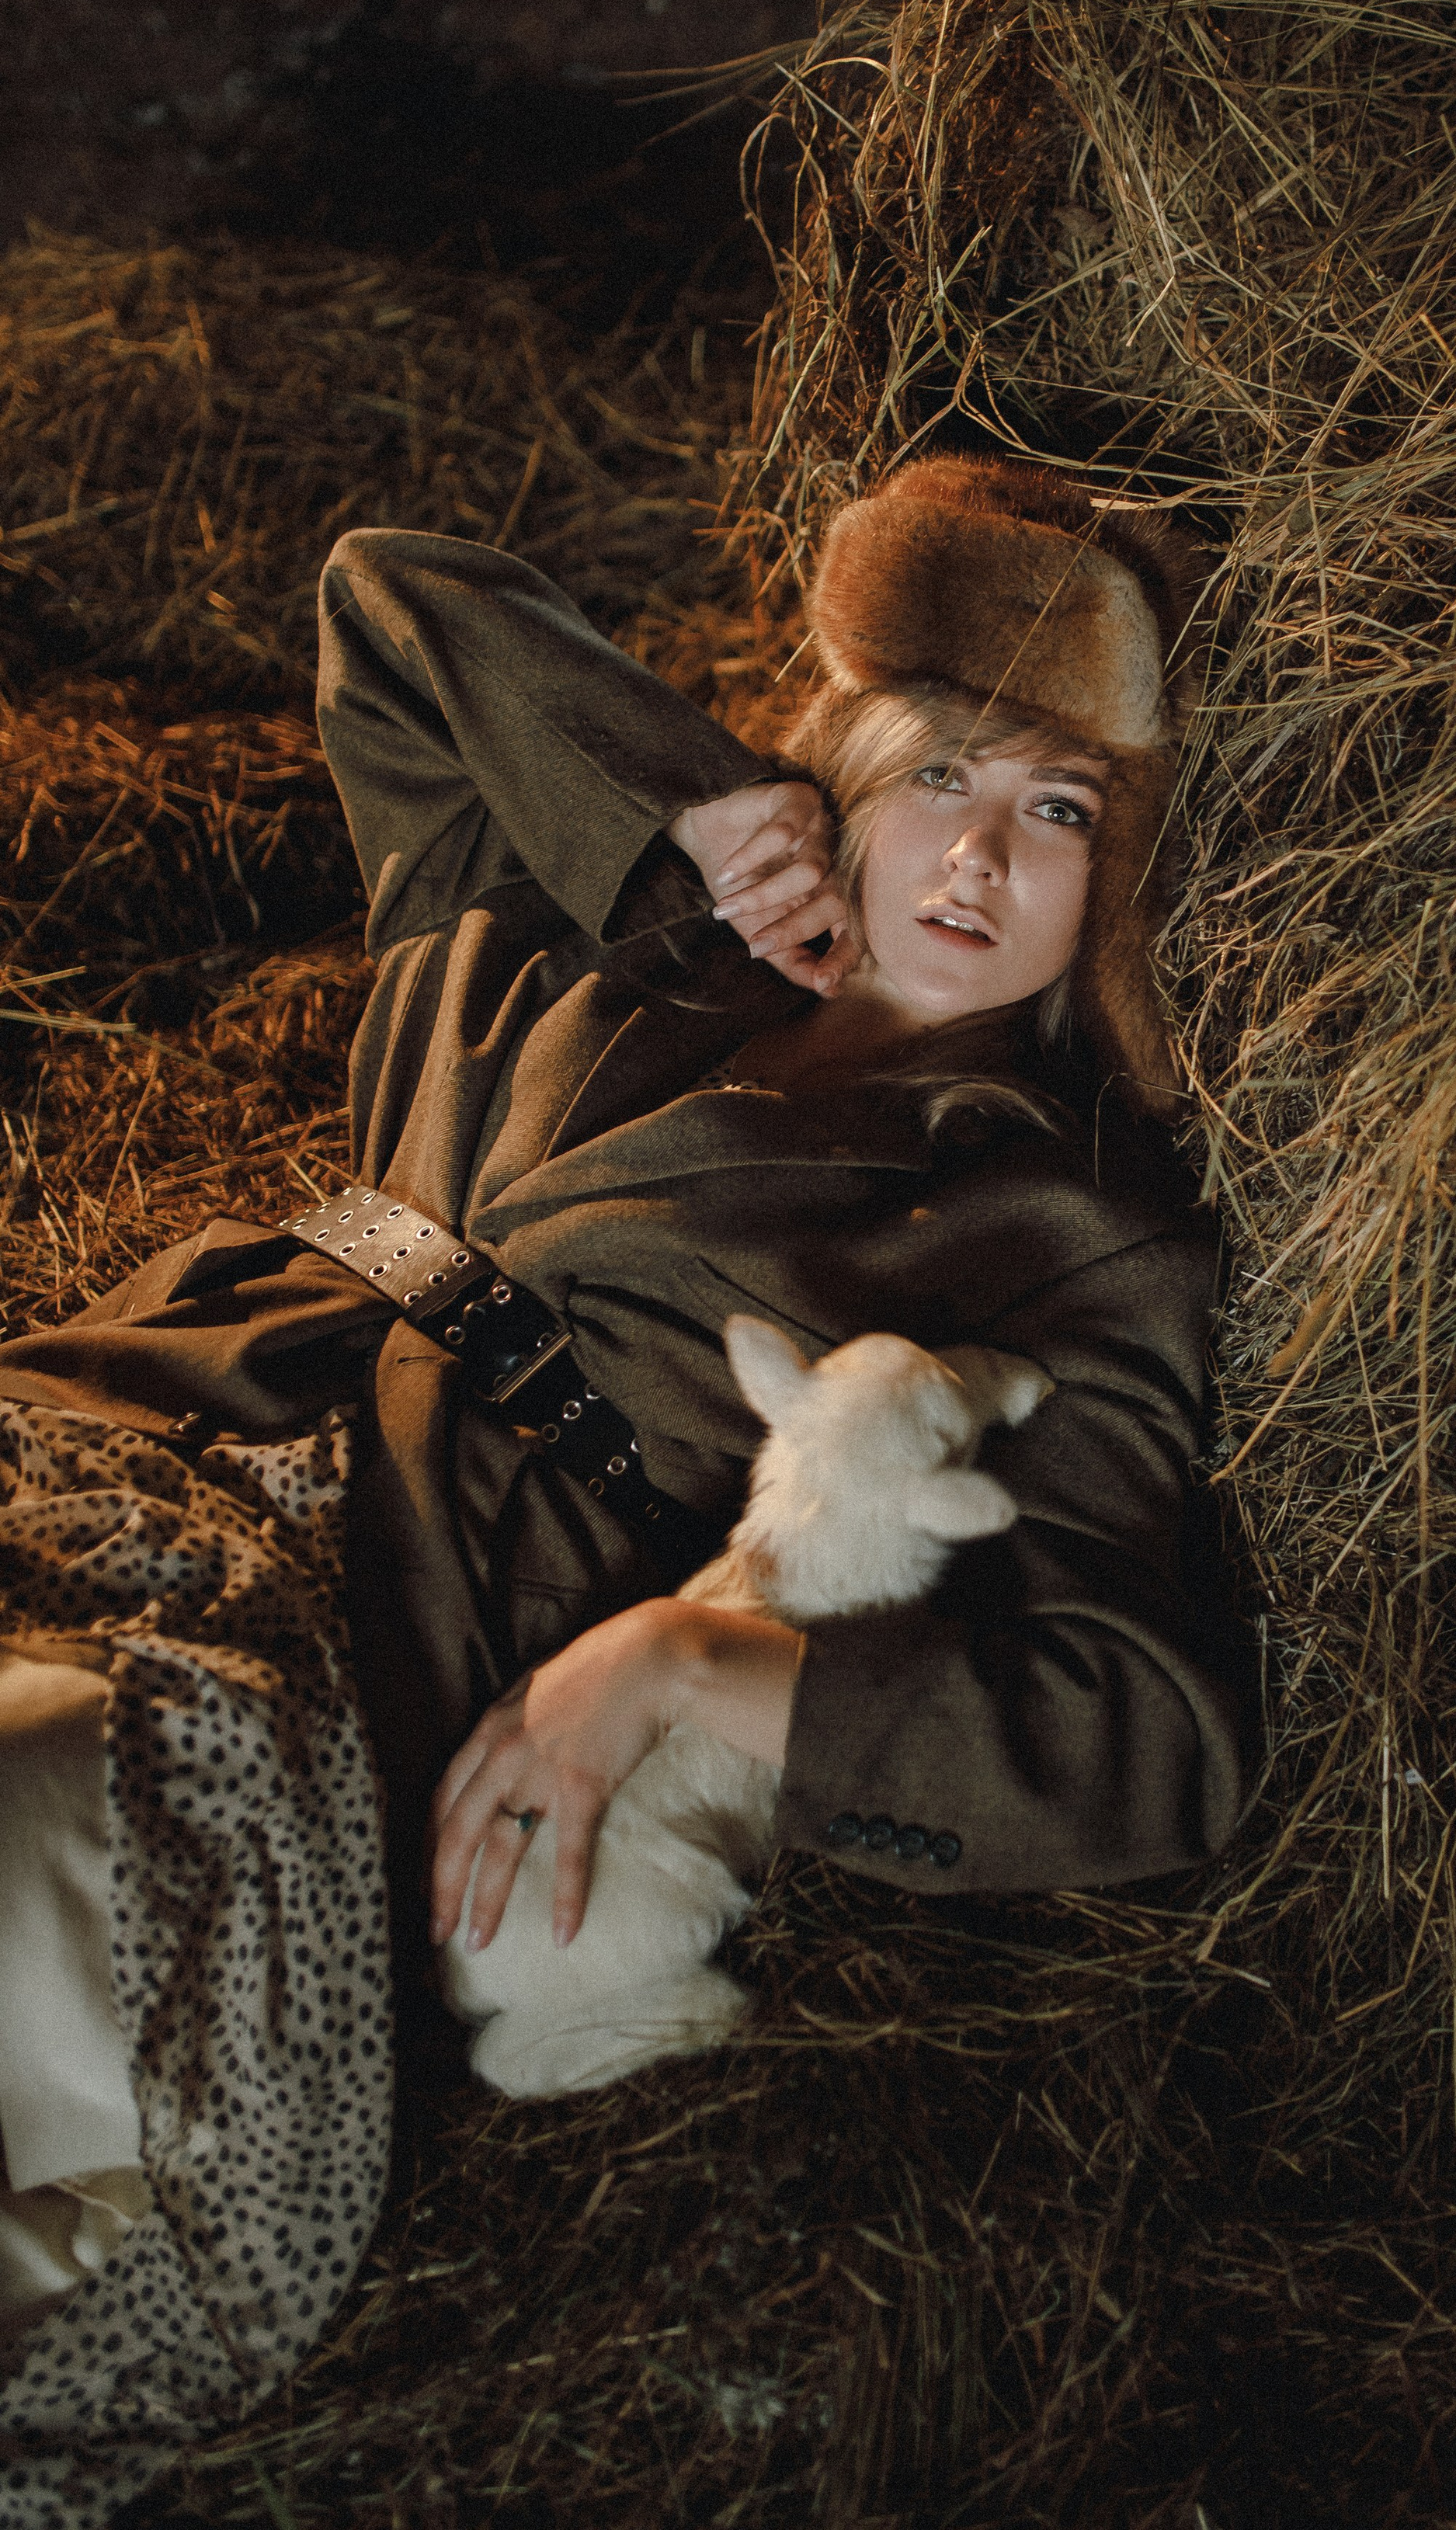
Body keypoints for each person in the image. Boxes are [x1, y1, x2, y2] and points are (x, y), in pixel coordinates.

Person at [0, 457, 1253, 2525]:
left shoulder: (1062, 1227)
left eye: (1061, 810)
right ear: (849, 775)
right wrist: (691, 803)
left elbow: (1145, 1740)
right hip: (129, 1434)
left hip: (362, 1640)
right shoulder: (592, 923)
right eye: (941, 772)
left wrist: (686, 1662)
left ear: (1120, 877)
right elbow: (386, 605)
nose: (977, 852)